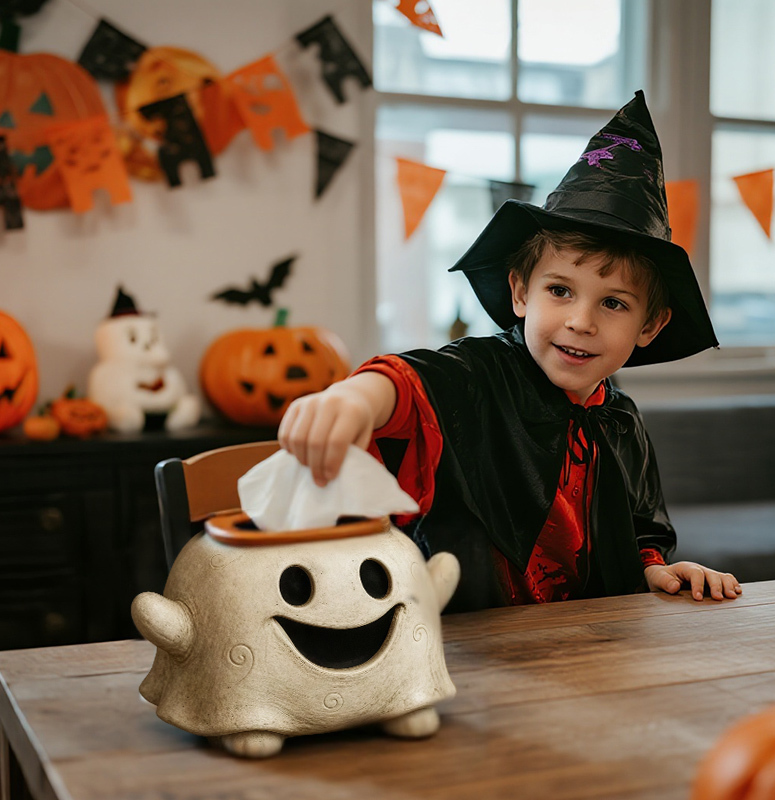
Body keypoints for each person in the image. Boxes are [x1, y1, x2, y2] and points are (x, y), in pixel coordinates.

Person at [278, 91, 742, 613]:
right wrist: (357, 398)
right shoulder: (483, 375)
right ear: (521, 292)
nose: (580, 321)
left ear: (650, 325)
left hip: (590, 650)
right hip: (470, 646)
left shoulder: (620, 421)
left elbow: (637, 533)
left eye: (613, 302)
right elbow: (417, 380)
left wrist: (656, 569)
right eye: (560, 290)